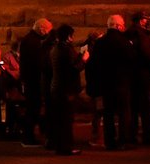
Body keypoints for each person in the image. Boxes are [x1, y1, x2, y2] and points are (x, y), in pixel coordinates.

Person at [88, 14, 133, 150]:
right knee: (123, 112)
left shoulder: (100, 43)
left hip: (105, 84)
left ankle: (110, 141)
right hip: (121, 83)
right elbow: (131, 61)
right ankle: (123, 141)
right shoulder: (124, 42)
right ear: (119, 26)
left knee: (108, 114)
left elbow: (93, 64)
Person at [17, 18, 53, 147]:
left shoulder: (29, 39)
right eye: (48, 30)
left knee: (33, 108)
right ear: (42, 29)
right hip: (33, 80)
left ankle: (29, 135)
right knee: (33, 108)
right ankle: (28, 137)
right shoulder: (34, 42)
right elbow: (37, 62)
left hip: (30, 79)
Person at [47, 23, 81, 155]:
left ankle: (60, 146)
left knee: (60, 119)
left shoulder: (55, 48)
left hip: (56, 87)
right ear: (69, 36)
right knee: (66, 120)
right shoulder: (65, 49)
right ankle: (65, 147)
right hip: (65, 89)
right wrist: (84, 60)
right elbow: (72, 69)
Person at [129, 9, 150, 145]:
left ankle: (133, 135)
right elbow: (145, 55)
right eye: (145, 19)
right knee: (147, 108)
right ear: (140, 20)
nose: (147, 21)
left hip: (133, 76)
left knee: (134, 108)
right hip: (143, 76)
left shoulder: (129, 34)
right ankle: (149, 136)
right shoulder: (141, 35)